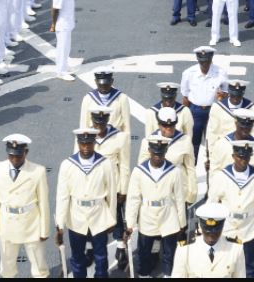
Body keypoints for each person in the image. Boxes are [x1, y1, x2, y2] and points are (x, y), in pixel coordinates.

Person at [0, 134, 51, 278]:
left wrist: (44, 230)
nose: (14, 159)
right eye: (11, 155)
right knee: (7, 267)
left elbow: (44, 203)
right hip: (7, 224)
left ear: (26, 152)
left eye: (18, 155)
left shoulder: (38, 171)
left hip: (31, 224)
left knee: (39, 267)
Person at [55, 128, 117, 278]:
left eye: (89, 143)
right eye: (83, 144)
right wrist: (60, 225)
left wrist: (112, 219)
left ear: (94, 143)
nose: (86, 147)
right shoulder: (67, 165)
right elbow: (62, 196)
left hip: (99, 215)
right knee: (77, 257)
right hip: (76, 217)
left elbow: (111, 194)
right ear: (78, 143)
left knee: (101, 257)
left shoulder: (105, 164)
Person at [124, 136, 187, 278]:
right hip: (147, 217)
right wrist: (130, 224)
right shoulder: (139, 171)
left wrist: (182, 224)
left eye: (161, 153)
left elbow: (179, 198)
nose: (158, 156)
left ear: (166, 151)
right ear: (149, 151)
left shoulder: (174, 171)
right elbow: (133, 199)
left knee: (169, 255)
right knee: (144, 254)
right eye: (155, 153)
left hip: (168, 217)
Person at [207, 142, 254, 277]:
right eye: (240, 157)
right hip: (227, 227)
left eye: (246, 157)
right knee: (225, 265)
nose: (243, 160)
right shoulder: (221, 176)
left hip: (248, 228)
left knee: (250, 266)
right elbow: (212, 203)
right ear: (233, 156)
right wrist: (208, 228)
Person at [86, 104, 132, 270]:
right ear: (92, 120)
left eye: (102, 121)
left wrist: (123, 189)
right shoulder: (86, 136)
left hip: (113, 184)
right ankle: (90, 247)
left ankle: (120, 247)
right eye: (96, 122)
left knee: (116, 216)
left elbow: (125, 165)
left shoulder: (120, 137)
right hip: (91, 185)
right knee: (90, 215)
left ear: (107, 120)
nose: (99, 125)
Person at [137, 107, 197, 204]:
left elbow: (190, 168)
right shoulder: (148, 141)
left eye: (171, 126)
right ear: (159, 125)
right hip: (156, 189)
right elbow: (142, 169)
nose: (168, 129)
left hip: (178, 190)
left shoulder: (185, 140)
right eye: (165, 126)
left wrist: (191, 195)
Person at [171, 202, 245, 278]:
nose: (211, 234)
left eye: (216, 229)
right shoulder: (185, 250)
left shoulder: (235, 249)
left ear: (223, 226)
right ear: (200, 226)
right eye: (207, 230)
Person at [180, 46, 228, 162]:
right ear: (198, 59)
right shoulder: (189, 73)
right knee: (192, 142)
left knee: (212, 142)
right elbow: (185, 96)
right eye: (202, 61)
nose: (204, 64)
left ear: (211, 59)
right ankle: (191, 167)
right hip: (194, 111)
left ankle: (211, 168)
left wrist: (222, 96)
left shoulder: (221, 73)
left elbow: (226, 93)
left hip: (213, 111)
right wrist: (184, 116)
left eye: (207, 61)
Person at [207, 110, 254, 175]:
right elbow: (214, 170)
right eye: (242, 125)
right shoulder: (221, 144)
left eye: (249, 126)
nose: (245, 129)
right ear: (236, 123)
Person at [206, 79, 254, 146]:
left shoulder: (253, 108)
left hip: (244, 146)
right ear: (229, 93)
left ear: (243, 94)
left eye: (239, 96)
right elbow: (212, 132)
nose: (235, 99)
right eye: (233, 95)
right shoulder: (217, 107)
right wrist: (211, 149)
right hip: (223, 146)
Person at [79, 66, 132, 133]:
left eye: (106, 84)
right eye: (100, 84)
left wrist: (126, 138)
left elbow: (126, 125)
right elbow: (84, 124)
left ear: (112, 81)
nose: (103, 87)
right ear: (95, 81)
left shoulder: (122, 98)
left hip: (115, 137)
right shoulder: (88, 98)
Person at [50, 0, 76, 81]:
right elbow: (55, 8)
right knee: (62, 47)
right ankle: (61, 71)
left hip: (67, 21)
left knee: (66, 47)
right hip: (62, 22)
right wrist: (53, 24)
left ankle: (64, 66)